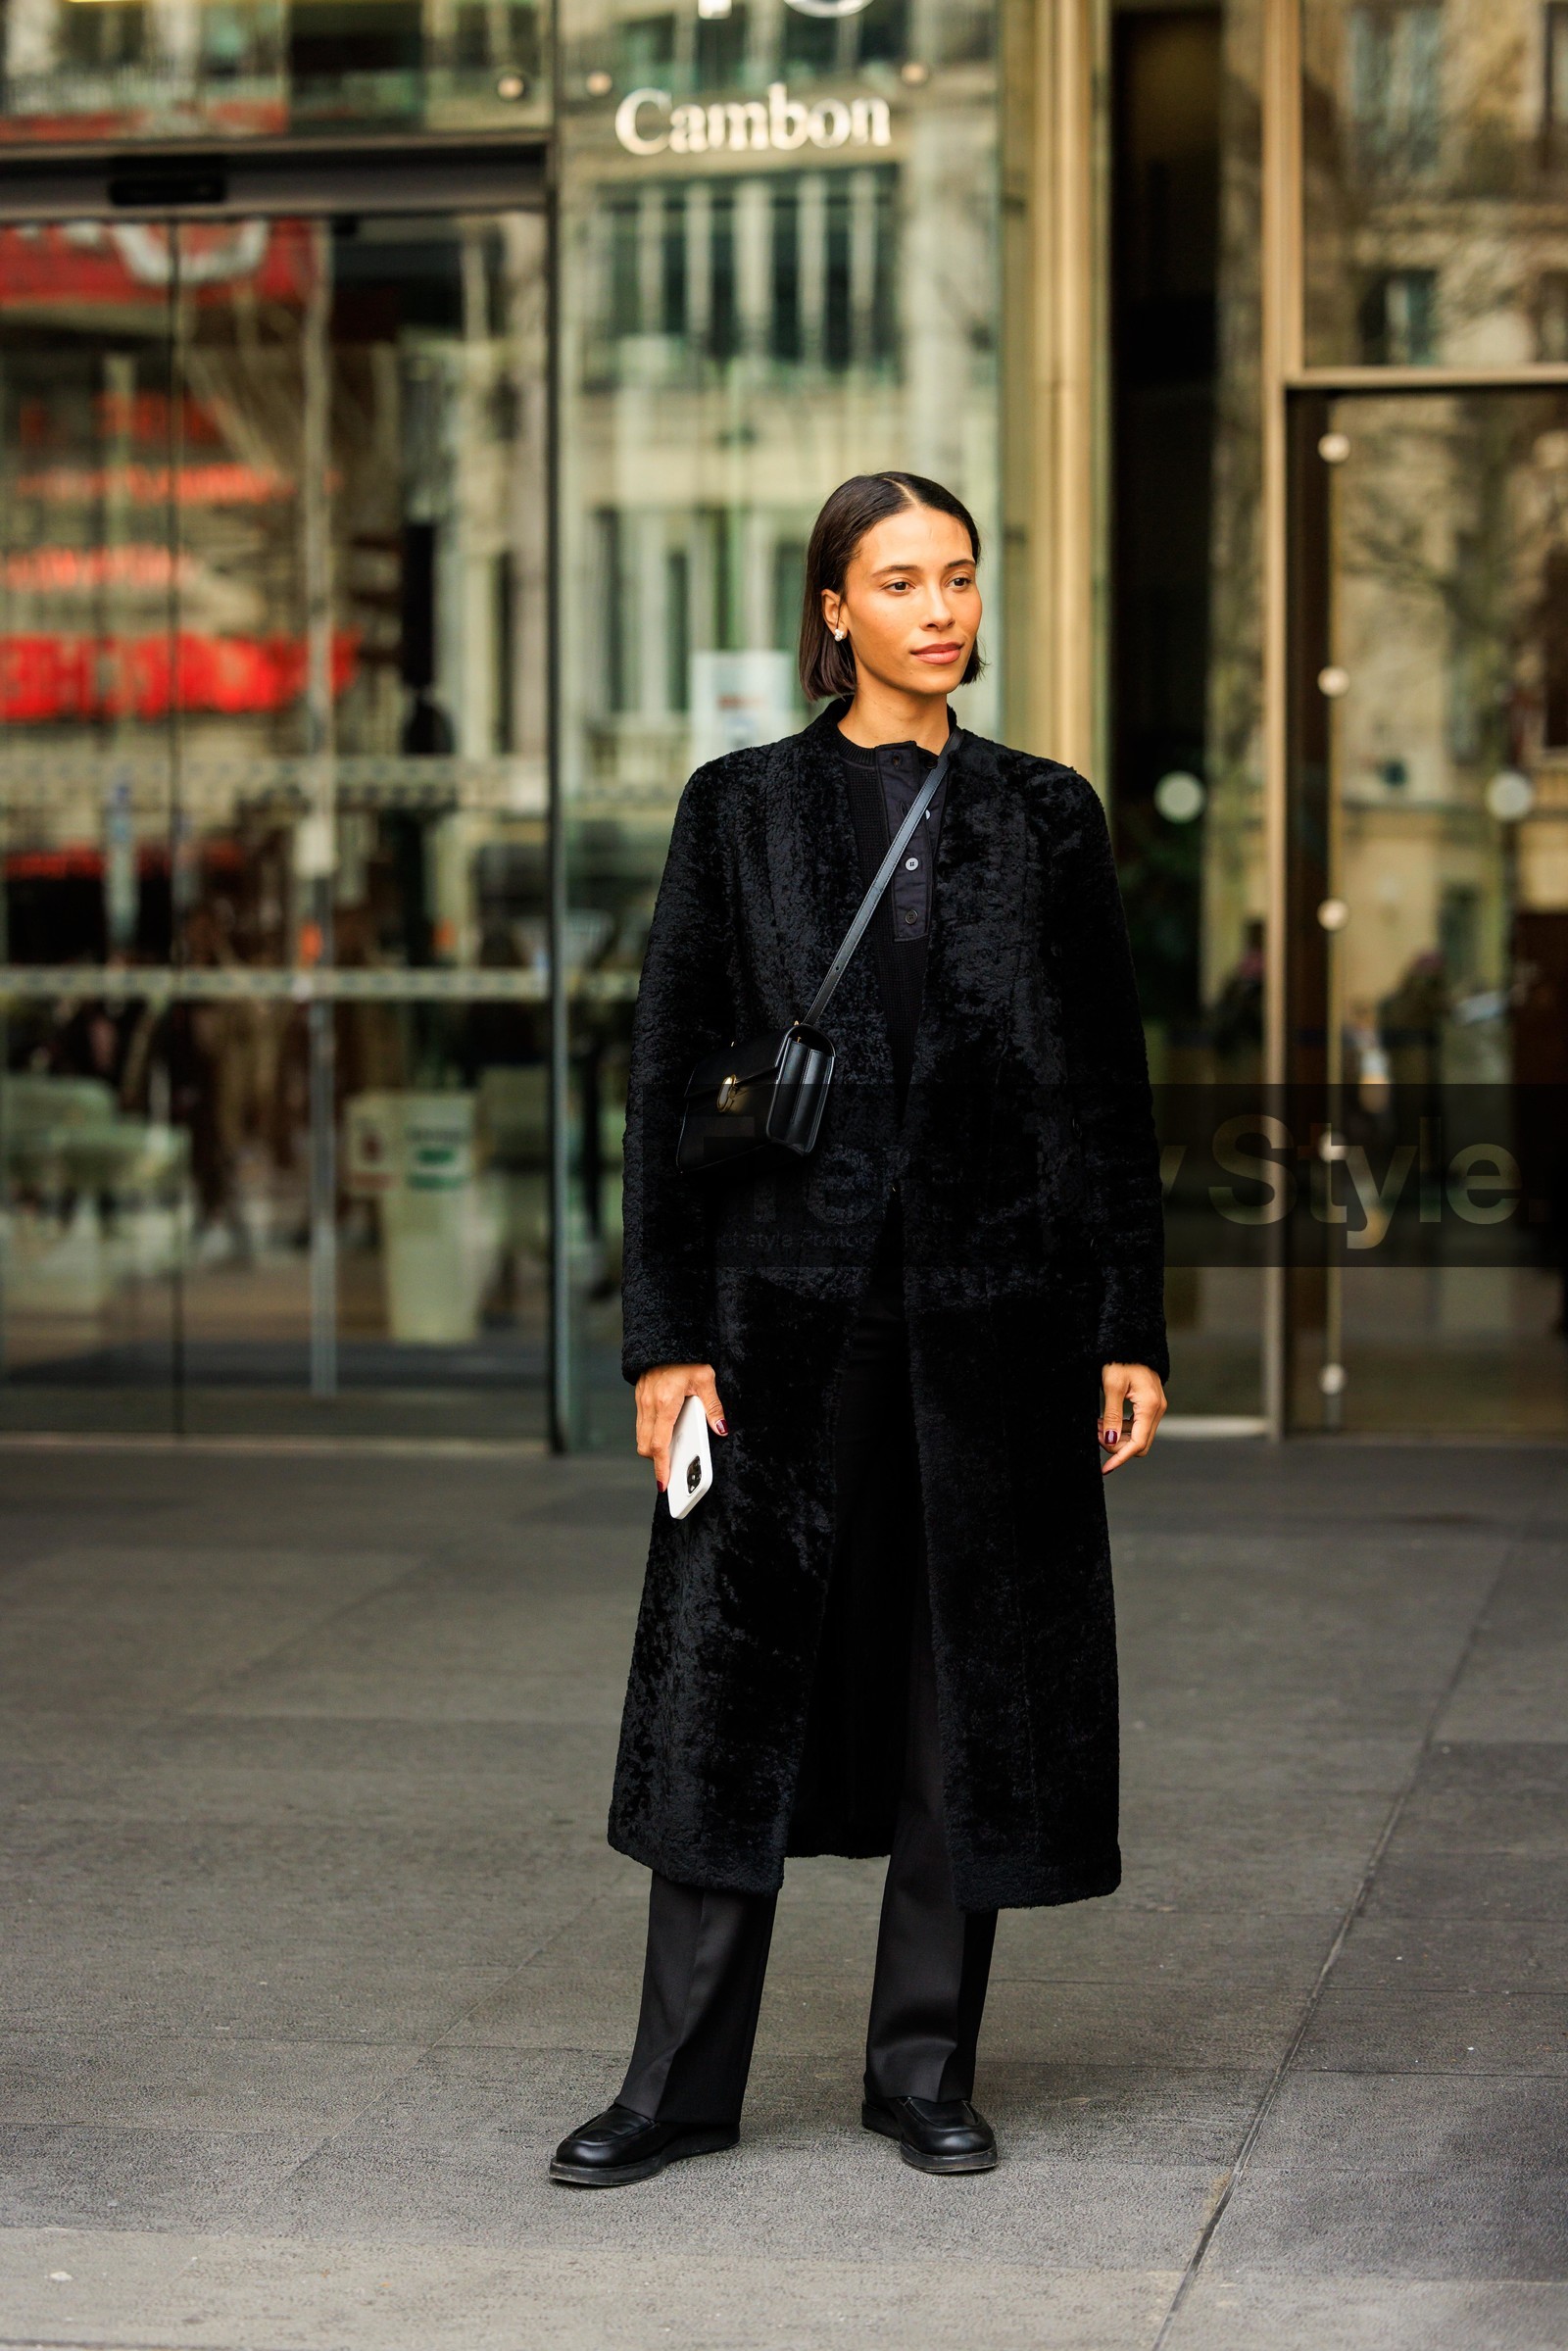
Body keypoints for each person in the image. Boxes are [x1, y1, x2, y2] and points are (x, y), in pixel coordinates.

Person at [550, 471, 1168, 2188]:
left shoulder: (1044, 815)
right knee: (726, 1688)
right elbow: (668, 1084)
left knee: (965, 1689)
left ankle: (923, 2070)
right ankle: (676, 2086)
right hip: (779, 1322)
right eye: (901, 581)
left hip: (998, 1321)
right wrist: (666, 1337)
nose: (941, 608)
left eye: (959, 576)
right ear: (835, 608)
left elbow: (1104, 1092)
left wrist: (1126, 1323)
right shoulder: (740, 807)